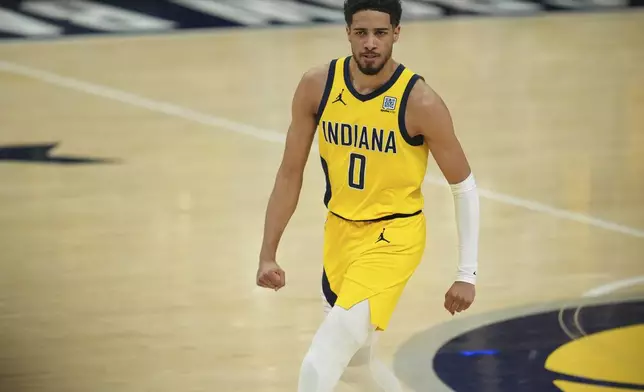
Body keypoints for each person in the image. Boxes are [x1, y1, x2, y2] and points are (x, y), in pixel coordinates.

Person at [255, 0, 480, 390]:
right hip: (339, 235)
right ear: (347, 34)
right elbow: (290, 173)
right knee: (355, 368)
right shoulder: (317, 86)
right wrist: (267, 252)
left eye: (380, 33)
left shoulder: (420, 101)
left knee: (319, 362)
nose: (370, 44)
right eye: (361, 33)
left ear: (396, 33)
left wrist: (466, 274)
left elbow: (464, 186)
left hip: (394, 238)